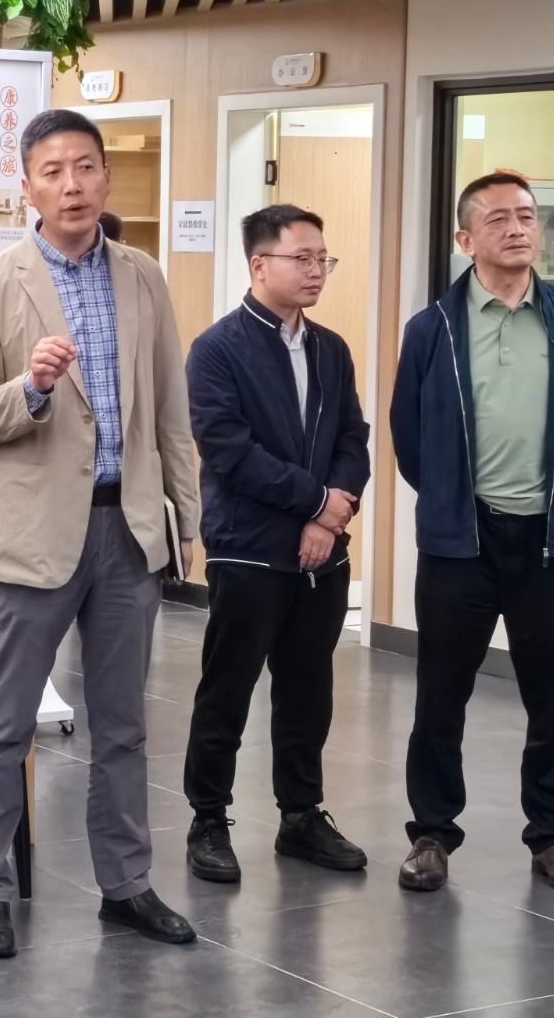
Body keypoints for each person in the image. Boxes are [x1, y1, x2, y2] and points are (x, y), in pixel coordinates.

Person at [0, 109, 201, 958]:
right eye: (53, 171)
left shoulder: (142, 275)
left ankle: (126, 884)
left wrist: (186, 520)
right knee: (6, 722)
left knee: (123, 724)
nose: (72, 185)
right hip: (36, 536)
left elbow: (170, 409)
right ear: (27, 187)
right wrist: (29, 386)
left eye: (86, 167)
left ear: (105, 176)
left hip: (129, 531)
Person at [390, 172, 554, 896]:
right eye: (498, 219)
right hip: (462, 541)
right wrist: (452, 502)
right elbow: (408, 436)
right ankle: (431, 833)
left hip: (551, 542)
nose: (517, 229)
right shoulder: (432, 328)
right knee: (440, 696)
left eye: (527, 216)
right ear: (465, 239)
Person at [181, 205, 371, 884]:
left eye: (323, 259)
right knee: (227, 688)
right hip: (249, 547)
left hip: (322, 554)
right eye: (303, 258)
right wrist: (317, 503)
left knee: (307, 689)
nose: (317, 270)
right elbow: (230, 452)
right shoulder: (216, 349)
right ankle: (208, 818)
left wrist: (330, 517)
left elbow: (353, 437)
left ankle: (301, 815)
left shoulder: (331, 348)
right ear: (260, 265)